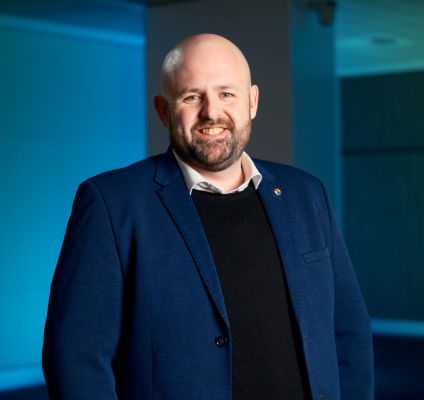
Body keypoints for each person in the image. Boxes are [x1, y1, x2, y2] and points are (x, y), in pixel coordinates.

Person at [42, 34, 373, 400]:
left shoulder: (306, 194)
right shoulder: (111, 203)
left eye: (227, 93)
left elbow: (349, 331)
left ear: (252, 102)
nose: (212, 112)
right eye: (192, 96)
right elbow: (75, 356)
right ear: (163, 110)